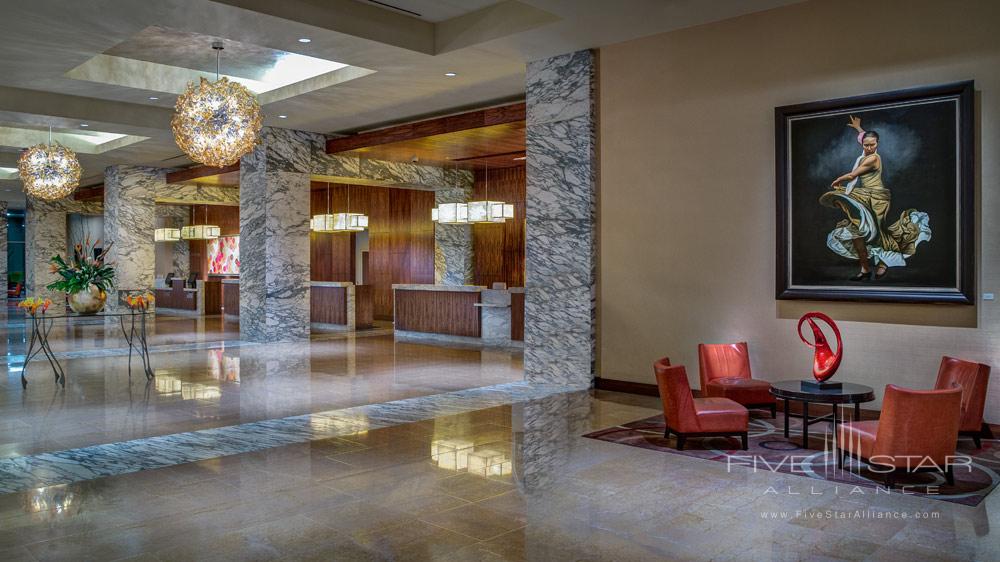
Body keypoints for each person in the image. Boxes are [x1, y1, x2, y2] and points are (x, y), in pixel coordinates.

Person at [818, 115, 931, 281]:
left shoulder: (873, 159)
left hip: (877, 198)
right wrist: (859, 128)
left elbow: (853, 175)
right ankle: (864, 269)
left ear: (877, 144)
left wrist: (839, 180)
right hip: (864, 194)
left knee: (877, 233)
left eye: (873, 145)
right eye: (866, 145)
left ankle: (884, 263)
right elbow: (863, 137)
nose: (869, 147)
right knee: (856, 232)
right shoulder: (865, 147)